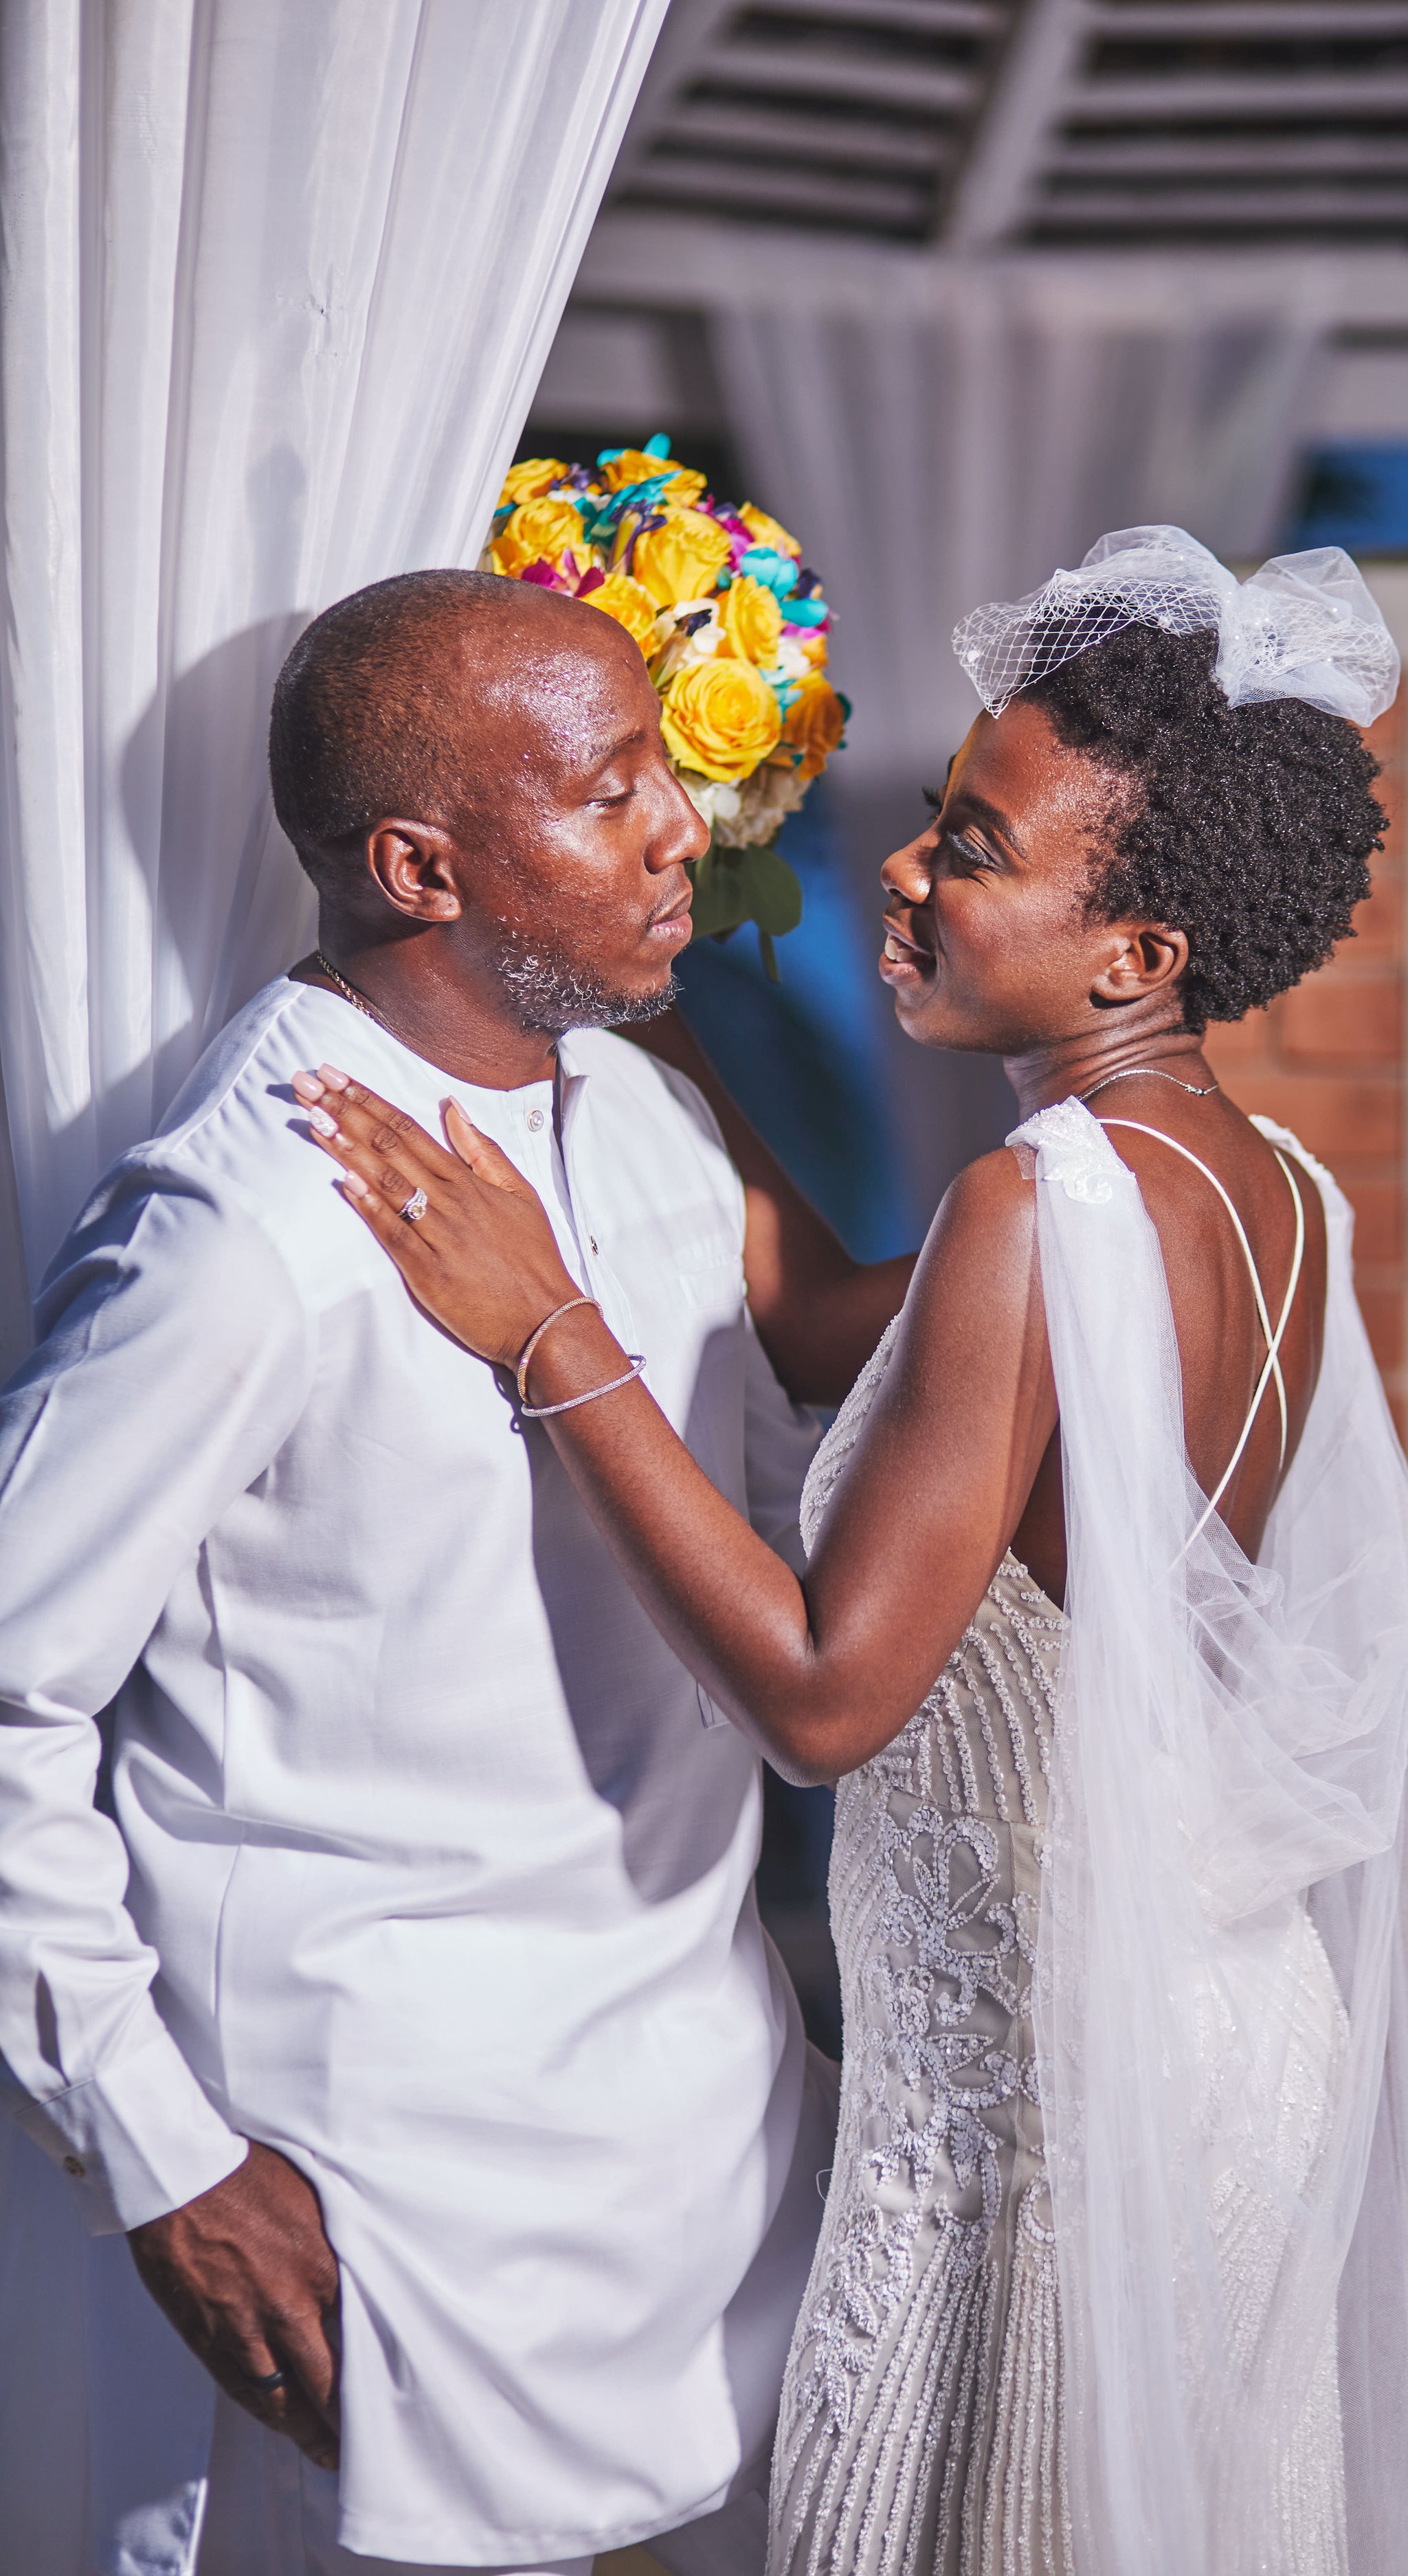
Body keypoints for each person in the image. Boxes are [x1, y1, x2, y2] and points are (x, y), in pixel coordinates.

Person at [298, 530, 1408, 2576]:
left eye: (974, 848)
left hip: (1052, 2095)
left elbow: (828, 1702)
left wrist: (543, 1329)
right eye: (930, 818)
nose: (906, 871)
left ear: (1130, 959)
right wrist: (655, 1065)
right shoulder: (1254, 1187)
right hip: (1221, 2033)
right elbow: (845, 1333)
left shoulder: (1039, 1200)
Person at [0, 569, 908, 2576]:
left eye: (663, 769)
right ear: (420, 862)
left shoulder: (653, 1120)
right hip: (371, 2156)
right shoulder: (240, 1230)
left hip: (701, 2104)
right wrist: (161, 2156)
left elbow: (771, 1538)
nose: (681, 823)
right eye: (607, 791)